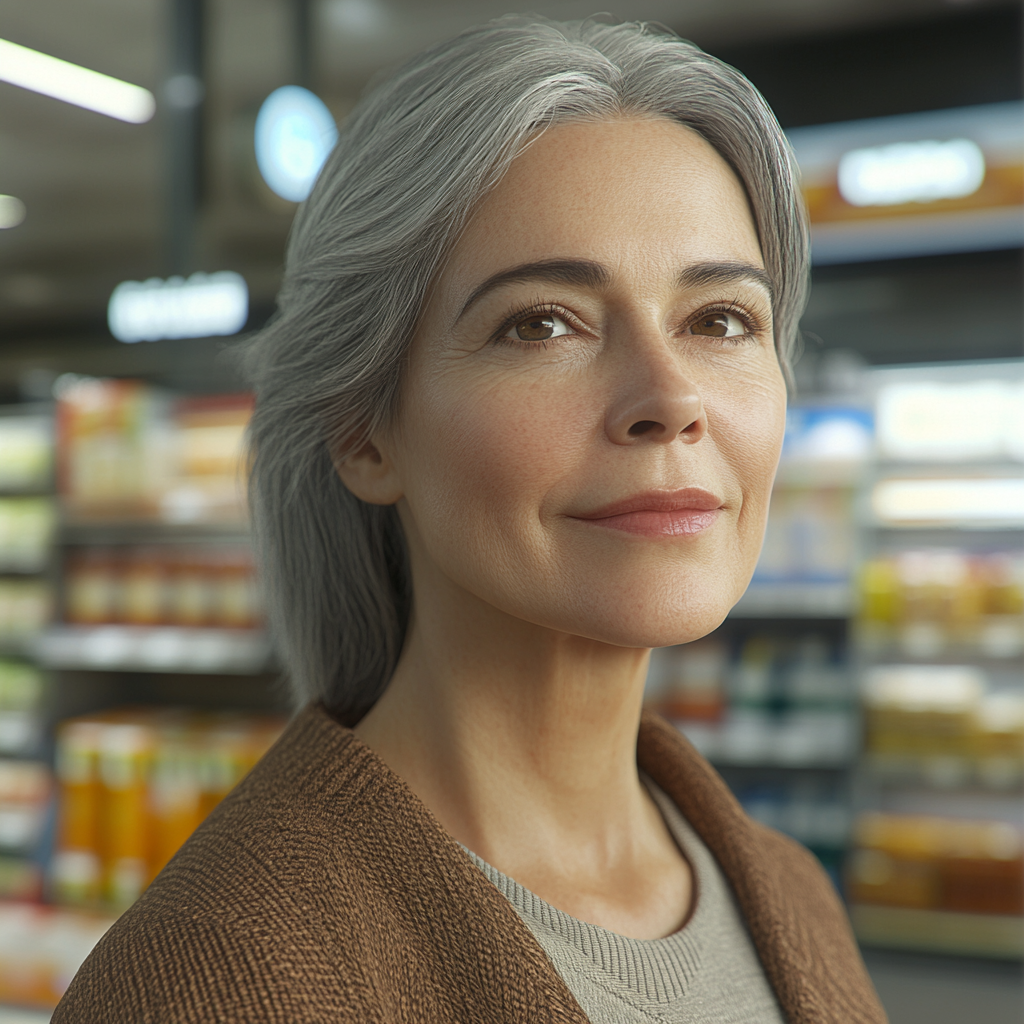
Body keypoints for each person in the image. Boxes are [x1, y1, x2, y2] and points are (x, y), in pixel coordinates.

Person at [55, 16, 886, 1024]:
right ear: (364, 432)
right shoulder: (213, 980)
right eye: (541, 323)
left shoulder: (786, 890)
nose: (670, 397)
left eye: (719, 320)